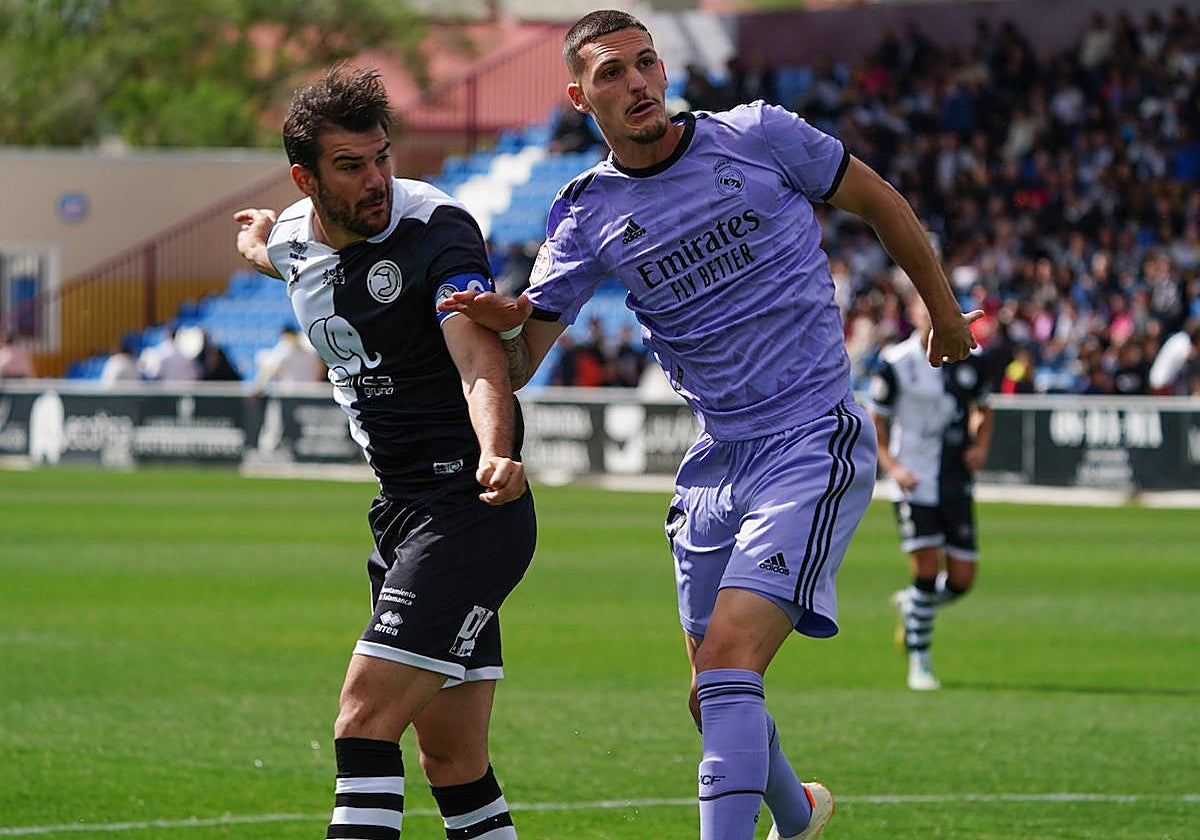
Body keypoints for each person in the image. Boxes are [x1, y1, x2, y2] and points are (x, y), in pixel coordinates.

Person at [437, 10, 981, 840]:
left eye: (645, 63)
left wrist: (942, 316)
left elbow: (882, 202)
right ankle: (796, 815)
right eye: (612, 75)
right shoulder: (585, 211)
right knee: (712, 692)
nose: (637, 83)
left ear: (665, 70)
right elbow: (518, 362)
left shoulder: (759, 135)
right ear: (581, 99)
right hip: (716, 463)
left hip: (812, 436)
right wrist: (489, 322)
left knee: (728, 665)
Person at [232, 64, 535, 840]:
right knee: (453, 759)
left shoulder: (437, 229)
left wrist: (497, 448)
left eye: (382, 158)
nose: (375, 181)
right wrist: (255, 241)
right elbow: (286, 257)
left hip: (469, 509)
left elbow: (478, 358)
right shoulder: (299, 236)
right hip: (401, 515)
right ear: (306, 178)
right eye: (350, 167)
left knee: (363, 720)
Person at [867, 295, 993, 691]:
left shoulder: (969, 354)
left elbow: (984, 408)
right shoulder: (895, 362)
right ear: (913, 315)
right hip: (915, 480)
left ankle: (912, 606)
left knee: (961, 580)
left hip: (954, 479)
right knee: (926, 571)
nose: (932, 315)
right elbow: (877, 420)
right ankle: (919, 663)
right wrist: (891, 466)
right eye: (924, 309)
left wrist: (980, 446)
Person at [250, 325, 324, 393]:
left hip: (310, 391)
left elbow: (321, 367)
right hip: (289, 392)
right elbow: (269, 369)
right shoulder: (283, 350)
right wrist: (259, 386)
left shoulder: (309, 348)